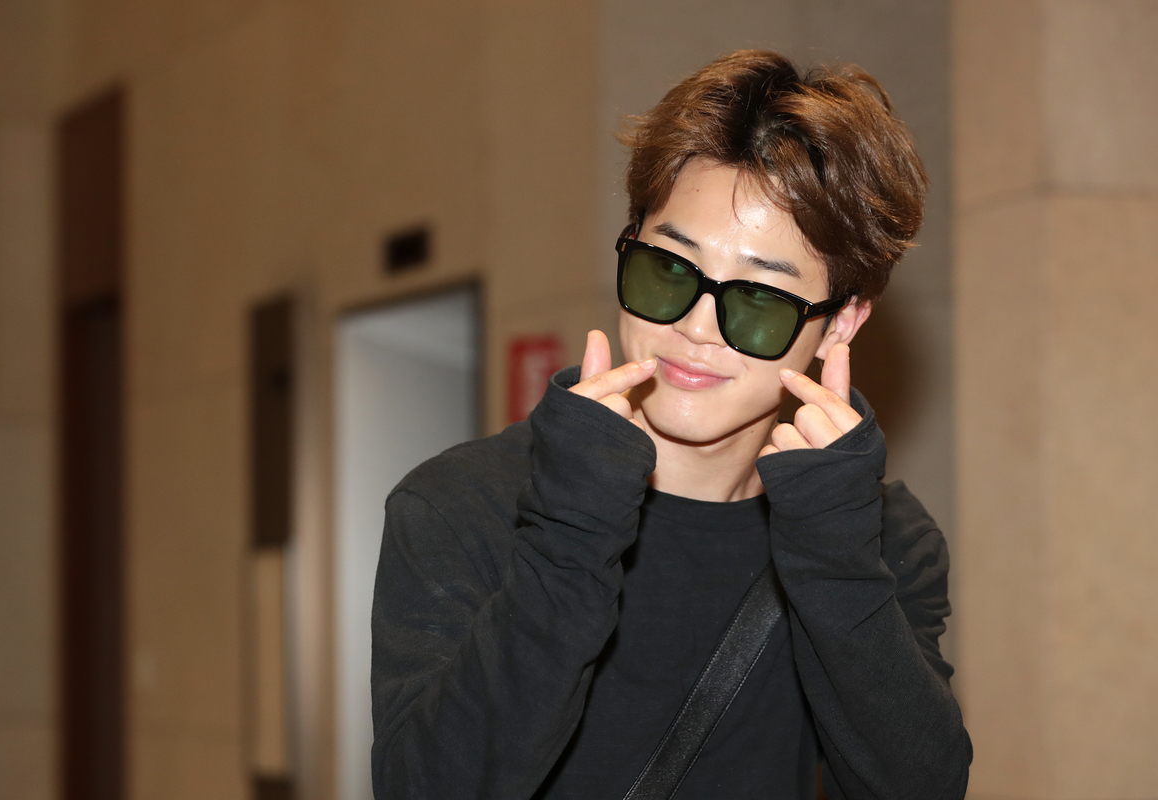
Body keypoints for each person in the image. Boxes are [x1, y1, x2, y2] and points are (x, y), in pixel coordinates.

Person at [370, 50, 972, 799]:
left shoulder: (876, 536)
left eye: (759, 299)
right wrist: (571, 532)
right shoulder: (464, 506)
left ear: (841, 324)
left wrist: (835, 557)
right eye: (669, 271)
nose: (695, 327)